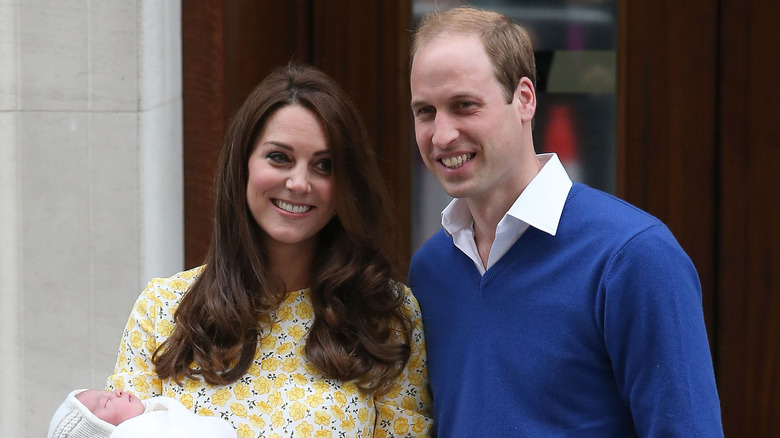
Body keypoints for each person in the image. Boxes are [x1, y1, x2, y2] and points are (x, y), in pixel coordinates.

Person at [407, 6, 723, 437]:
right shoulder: (431, 272)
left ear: (524, 99)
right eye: (425, 111)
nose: (441, 135)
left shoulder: (634, 257)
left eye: (464, 105)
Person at [107, 64, 432, 437]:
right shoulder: (163, 309)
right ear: (242, 165)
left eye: (323, 166)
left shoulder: (386, 317)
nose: (298, 183)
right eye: (279, 157)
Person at [48, 388, 236, 438]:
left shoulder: (158, 417)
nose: (117, 391)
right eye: (105, 401)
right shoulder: (129, 433)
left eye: (108, 392)